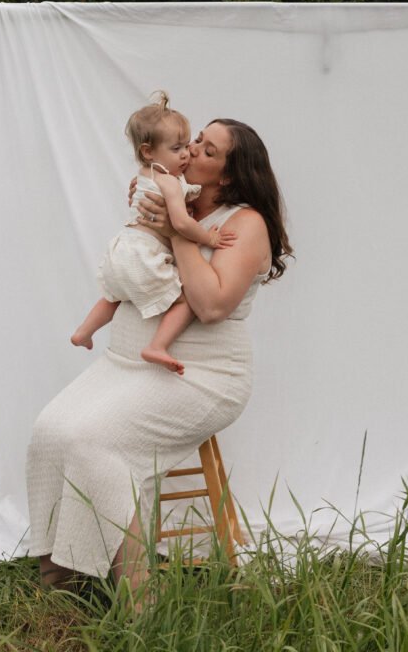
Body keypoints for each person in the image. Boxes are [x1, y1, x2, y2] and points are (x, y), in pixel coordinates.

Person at [26, 116, 292, 600]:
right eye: (195, 141)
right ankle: (56, 587)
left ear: (229, 174)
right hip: (127, 364)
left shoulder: (245, 224)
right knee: (50, 431)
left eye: (208, 150)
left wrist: (176, 232)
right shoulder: (180, 194)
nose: (192, 150)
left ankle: (140, 602)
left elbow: (210, 305)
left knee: (94, 444)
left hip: (203, 376)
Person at [70, 91, 235, 373]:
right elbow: (181, 224)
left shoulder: (145, 176)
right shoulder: (169, 182)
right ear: (148, 151)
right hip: (145, 252)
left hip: (121, 248)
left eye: (187, 145)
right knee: (186, 299)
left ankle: (84, 332)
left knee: (114, 296)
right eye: (177, 149)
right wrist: (209, 237)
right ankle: (157, 345)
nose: (186, 154)